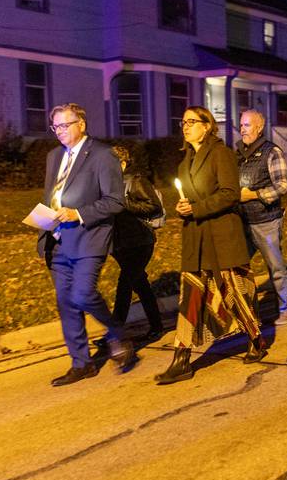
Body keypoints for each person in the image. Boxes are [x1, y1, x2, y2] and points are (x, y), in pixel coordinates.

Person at [155, 106, 266, 385]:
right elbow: (190, 199)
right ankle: (182, 359)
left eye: (192, 121)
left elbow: (230, 195)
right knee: (190, 296)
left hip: (221, 235)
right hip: (196, 237)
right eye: (183, 121)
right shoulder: (185, 162)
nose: (186, 126)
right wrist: (183, 207)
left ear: (207, 126)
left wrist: (197, 208)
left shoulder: (221, 154)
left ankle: (255, 337)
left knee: (233, 291)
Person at [38, 103, 132, 386]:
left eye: (65, 125)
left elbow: (116, 201)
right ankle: (81, 363)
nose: (59, 132)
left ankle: (117, 331)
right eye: (55, 127)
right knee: (66, 303)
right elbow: (50, 196)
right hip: (57, 241)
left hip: (88, 238)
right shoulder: (54, 156)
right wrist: (42, 229)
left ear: (81, 124)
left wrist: (78, 213)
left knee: (81, 294)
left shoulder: (103, 155)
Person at [235, 109, 287, 326]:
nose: (243, 129)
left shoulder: (272, 152)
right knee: (238, 267)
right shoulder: (238, 153)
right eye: (241, 125)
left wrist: (255, 194)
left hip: (267, 221)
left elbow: (282, 186)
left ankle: (286, 308)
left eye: (247, 125)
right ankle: (249, 313)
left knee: (276, 268)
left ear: (259, 127)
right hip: (243, 221)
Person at [109, 145, 164, 341]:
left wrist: (124, 203)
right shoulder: (107, 186)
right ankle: (157, 326)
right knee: (140, 285)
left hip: (140, 242)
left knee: (124, 285)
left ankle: (114, 333)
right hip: (120, 245)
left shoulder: (135, 181)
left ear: (123, 163)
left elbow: (153, 207)